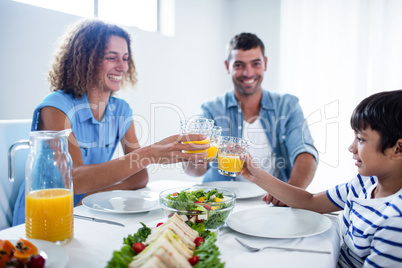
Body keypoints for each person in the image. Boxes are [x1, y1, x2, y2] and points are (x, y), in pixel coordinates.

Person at [12, 19, 208, 226]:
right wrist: (150, 154)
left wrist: (91, 194)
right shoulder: (56, 107)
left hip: (86, 211)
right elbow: (76, 180)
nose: (122, 66)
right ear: (86, 60)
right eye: (111, 57)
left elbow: (139, 178)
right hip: (41, 218)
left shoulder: (121, 110)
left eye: (125, 58)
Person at [241, 90, 402, 267]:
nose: (351, 147)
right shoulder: (364, 184)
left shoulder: (395, 221)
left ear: (398, 149)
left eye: (361, 139)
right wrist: (257, 175)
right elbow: (311, 201)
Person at [184, 32, 318, 206]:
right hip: (220, 202)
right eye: (239, 65)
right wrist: (194, 158)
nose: (248, 73)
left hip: (272, 202)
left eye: (255, 64)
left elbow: (305, 153)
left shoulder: (287, 106)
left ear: (265, 64)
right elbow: (194, 171)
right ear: (227, 66)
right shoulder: (211, 109)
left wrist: (288, 193)